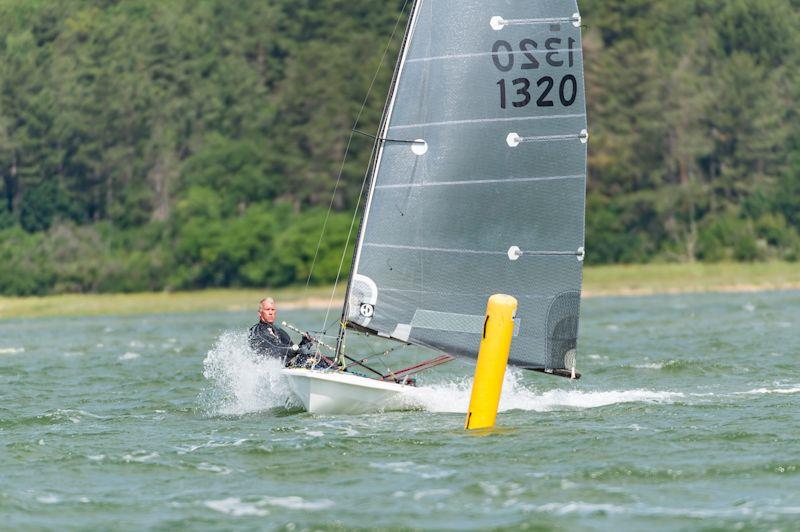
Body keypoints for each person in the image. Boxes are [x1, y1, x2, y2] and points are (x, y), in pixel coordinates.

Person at [248, 298, 318, 366]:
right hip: (266, 367)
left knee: (321, 360)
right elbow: (276, 348)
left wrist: (305, 341)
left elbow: (291, 347)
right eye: (267, 309)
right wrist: (299, 348)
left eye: (273, 310)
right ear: (260, 313)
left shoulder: (277, 330)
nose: (270, 312)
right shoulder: (258, 331)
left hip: (286, 363)